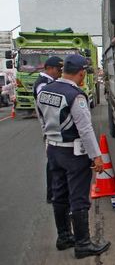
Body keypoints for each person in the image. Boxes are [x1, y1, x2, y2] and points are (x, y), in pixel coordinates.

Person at [36, 54, 111, 259]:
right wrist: (97, 157)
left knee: (59, 195)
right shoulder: (75, 95)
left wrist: (49, 143)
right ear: (81, 73)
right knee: (78, 198)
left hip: (53, 150)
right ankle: (83, 244)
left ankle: (64, 237)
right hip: (73, 153)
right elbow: (85, 129)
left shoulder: (44, 91)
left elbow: (41, 119)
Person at [33, 56, 63, 204]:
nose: (60, 72)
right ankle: (52, 194)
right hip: (50, 128)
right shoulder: (42, 85)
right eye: (58, 69)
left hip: (53, 127)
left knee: (55, 161)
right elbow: (46, 106)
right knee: (53, 163)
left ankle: (55, 192)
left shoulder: (50, 82)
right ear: (49, 68)